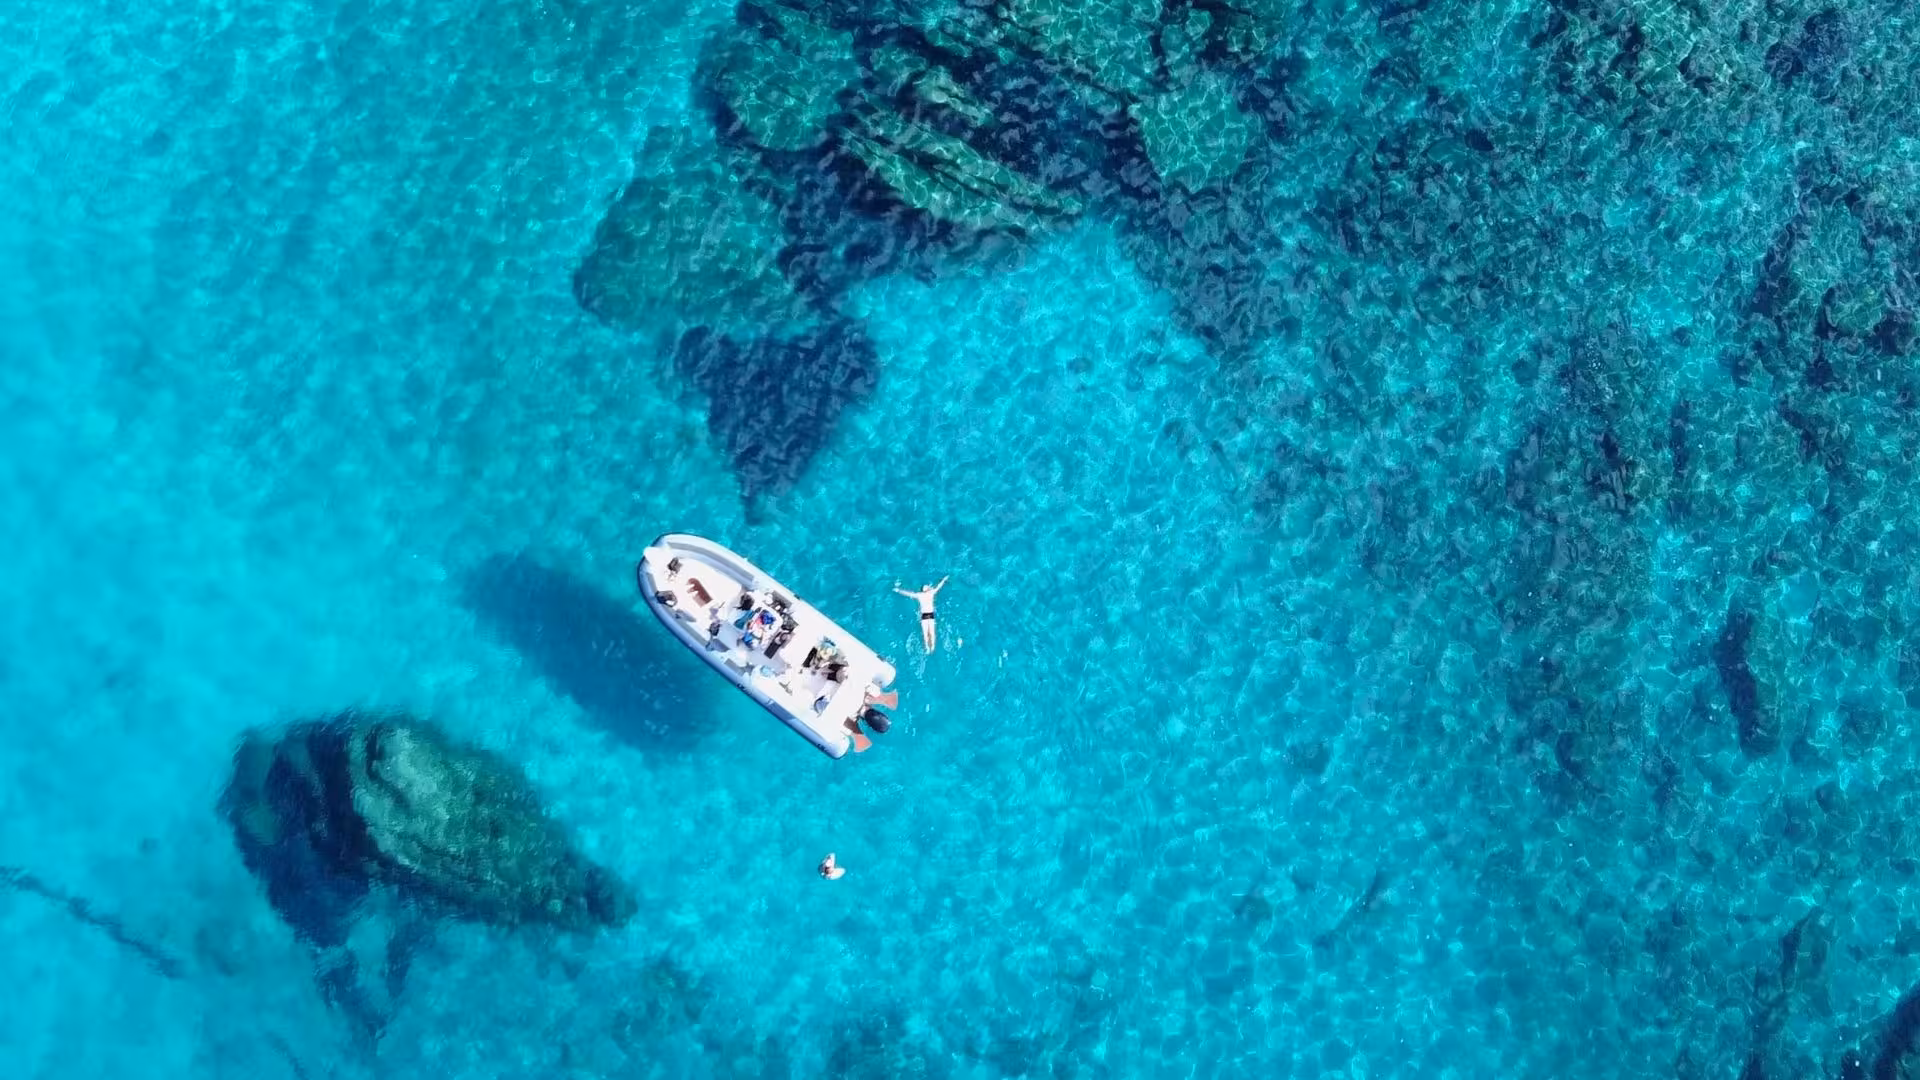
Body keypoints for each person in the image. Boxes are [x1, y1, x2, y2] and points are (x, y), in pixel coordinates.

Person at [893, 576, 949, 652]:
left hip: (924, 615)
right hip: (930, 614)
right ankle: (932, 647)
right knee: (931, 632)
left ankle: (927, 647)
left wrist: (898, 590)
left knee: (925, 633)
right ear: (928, 589)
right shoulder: (931, 593)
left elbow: (908, 594)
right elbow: (939, 586)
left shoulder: (919, 595)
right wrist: (944, 580)